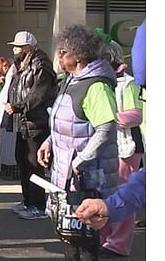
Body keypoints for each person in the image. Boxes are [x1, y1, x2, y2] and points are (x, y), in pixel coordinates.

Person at [36, 25, 119, 261]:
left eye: (63, 52)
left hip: (87, 177)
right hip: (68, 173)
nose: (59, 56)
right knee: (69, 234)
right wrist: (49, 141)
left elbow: (105, 127)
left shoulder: (96, 86)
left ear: (79, 56)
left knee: (85, 239)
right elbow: (64, 122)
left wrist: (81, 160)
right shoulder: (70, 81)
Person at [92, 39, 144, 258]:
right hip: (108, 147)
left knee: (125, 194)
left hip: (127, 148)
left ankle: (119, 244)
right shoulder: (102, 82)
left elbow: (136, 115)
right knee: (106, 194)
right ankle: (105, 239)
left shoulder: (129, 83)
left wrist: (107, 118)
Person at [5, 31, 57, 220]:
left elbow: (39, 94)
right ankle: (28, 201)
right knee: (23, 161)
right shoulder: (23, 65)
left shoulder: (40, 65)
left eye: (18, 46)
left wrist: (18, 106)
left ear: (28, 48)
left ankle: (39, 205)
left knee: (35, 164)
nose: (14, 49)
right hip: (23, 122)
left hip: (35, 122)